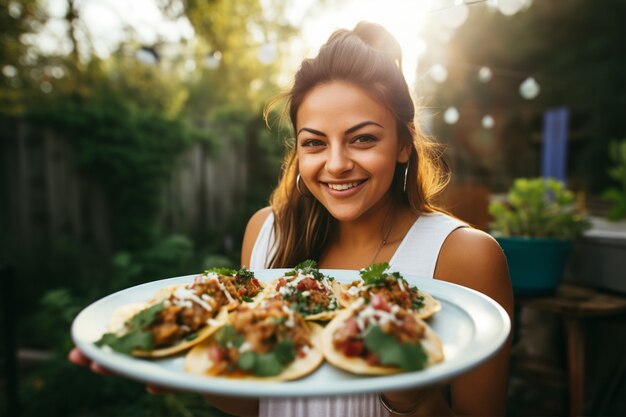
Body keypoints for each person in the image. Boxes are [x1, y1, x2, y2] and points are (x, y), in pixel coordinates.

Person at [70, 21, 513, 417]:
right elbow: (253, 400)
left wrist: (410, 395)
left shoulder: (465, 256)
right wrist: (175, 372)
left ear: (403, 144)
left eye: (362, 138)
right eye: (315, 143)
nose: (336, 164)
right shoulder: (263, 232)